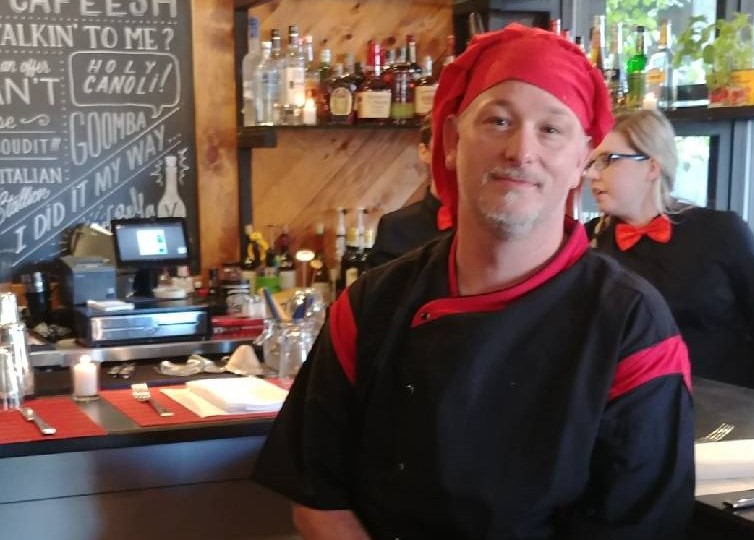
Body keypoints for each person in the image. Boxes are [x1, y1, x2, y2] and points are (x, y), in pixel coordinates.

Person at [253, 24, 694, 539]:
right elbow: (318, 502)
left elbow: (637, 528)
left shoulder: (633, 327)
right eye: (498, 120)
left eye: (551, 130)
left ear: (581, 161)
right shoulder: (369, 305)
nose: (520, 151)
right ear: (450, 142)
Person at [585, 109, 754, 387]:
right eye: (590, 163)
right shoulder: (589, 241)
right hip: (634, 402)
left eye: (607, 160)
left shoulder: (722, 231)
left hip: (726, 401)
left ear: (652, 167)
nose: (591, 174)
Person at [365, 113, 453, 269]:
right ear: (424, 151)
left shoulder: (491, 227)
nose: (453, 155)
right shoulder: (395, 227)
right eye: (443, 142)